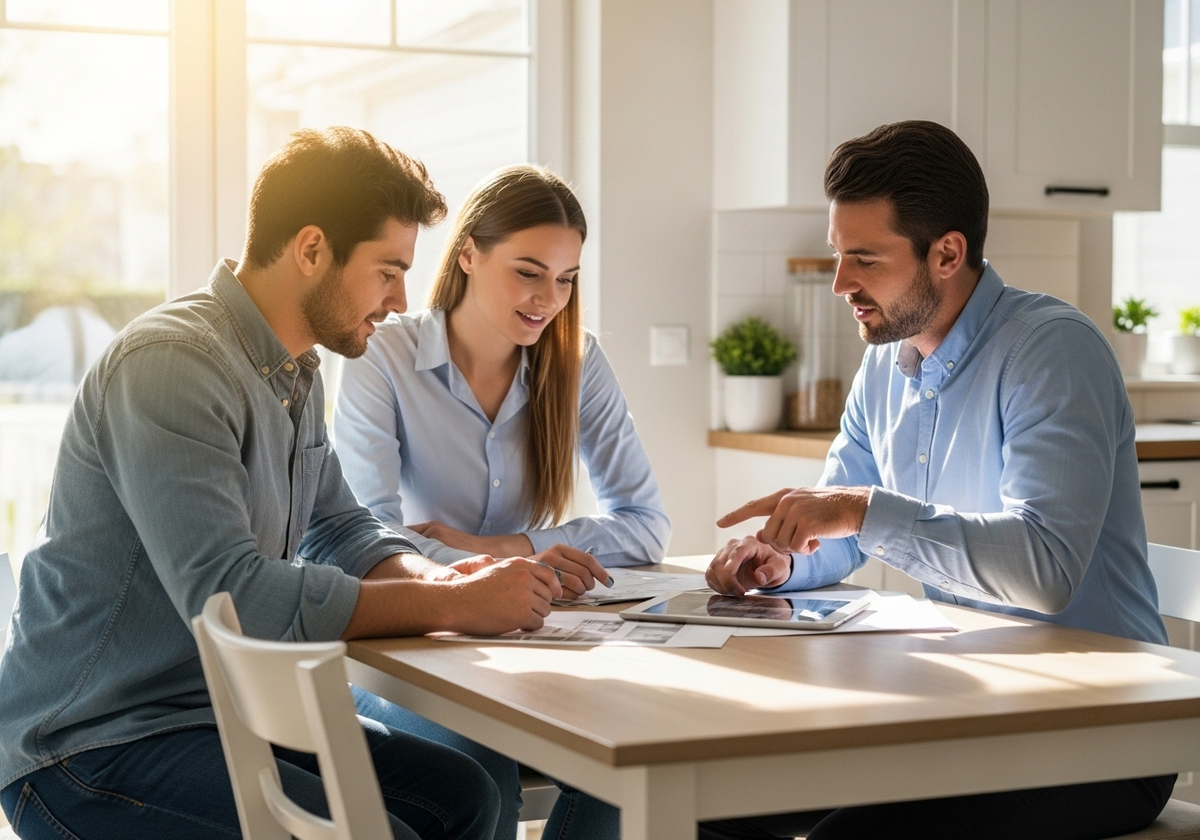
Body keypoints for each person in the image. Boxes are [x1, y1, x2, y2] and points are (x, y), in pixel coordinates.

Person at [0, 126, 566, 840]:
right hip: (91, 745)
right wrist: (446, 603)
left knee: (466, 795)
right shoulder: (172, 365)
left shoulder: (293, 371)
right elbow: (233, 595)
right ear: (310, 249)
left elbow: (339, 525)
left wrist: (448, 584)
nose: (399, 300)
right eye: (387, 270)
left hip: (214, 714)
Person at [700, 120, 1174, 840]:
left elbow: (1046, 571)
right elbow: (843, 534)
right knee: (713, 803)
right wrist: (783, 561)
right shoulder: (883, 366)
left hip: (1103, 734)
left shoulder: (1050, 352)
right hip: (969, 711)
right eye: (838, 254)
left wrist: (862, 509)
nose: (840, 283)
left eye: (864, 258)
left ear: (947, 252)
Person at [334, 164, 670, 840]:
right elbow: (369, 533)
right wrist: (471, 566)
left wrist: (504, 550)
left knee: (627, 763)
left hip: (535, 647)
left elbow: (646, 525)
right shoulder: (383, 357)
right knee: (482, 774)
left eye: (567, 278)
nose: (549, 298)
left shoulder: (578, 361)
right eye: (528, 272)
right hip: (412, 654)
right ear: (467, 254)